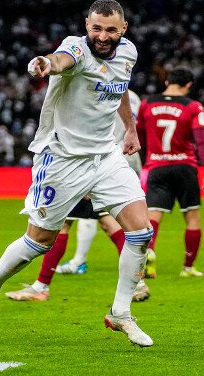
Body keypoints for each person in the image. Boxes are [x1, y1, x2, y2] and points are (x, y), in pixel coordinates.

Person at [0, 0, 154, 347]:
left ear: (123, 29)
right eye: (96, 28)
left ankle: (120, 313)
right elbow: (60, 60)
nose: (102, 36)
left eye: (110, 30)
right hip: (62, 160)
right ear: (87, 25)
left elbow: (120, 91)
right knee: (39, 242)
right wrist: (44, 63)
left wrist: (129, 129)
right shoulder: (76, 48)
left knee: (140, 232)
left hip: (105, 157)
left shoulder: (128, 52)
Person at [136, 68, 204, 279]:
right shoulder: (192, 106)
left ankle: (148, 254)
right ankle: (188, 267)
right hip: (185, 168)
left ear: (167, 81)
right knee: (192, 218)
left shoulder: (147, 104)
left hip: (157, 168)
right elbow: (201, 141)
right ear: (189, 85)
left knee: (152, 217)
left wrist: (143, 165)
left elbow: (139, 139)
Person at [56, 90, 143, 275]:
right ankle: (138, 266)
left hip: (104, 159)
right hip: (131, 157)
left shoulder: (99, 88)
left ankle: (48, 281)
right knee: (112, 218)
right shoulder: (134, 98)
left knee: (74, 218)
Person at [4, 198, 151, 303]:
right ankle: (138, 284)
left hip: (81, 174)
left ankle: (41, 287)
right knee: (110, 224)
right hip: (104, 175)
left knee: (63, 224)